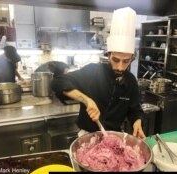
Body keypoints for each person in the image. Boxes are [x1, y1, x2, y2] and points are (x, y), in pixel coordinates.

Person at [51, 7, 145, 139]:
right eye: (116, 60)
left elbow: (135, 110)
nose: (120, 67)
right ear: (108, 55)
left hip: (113, 138)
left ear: (131, 59)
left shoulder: (131, 81)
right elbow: (58, 82)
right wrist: (87, 100)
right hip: (88, 136)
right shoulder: (93, 71)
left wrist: (137, 122)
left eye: (126, 61)